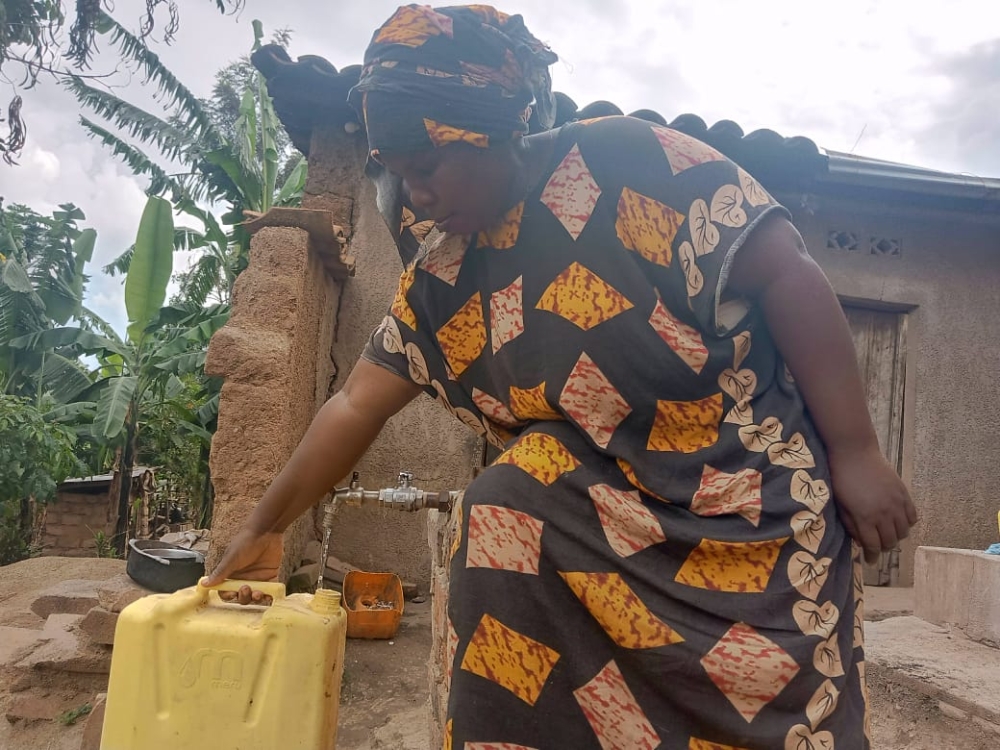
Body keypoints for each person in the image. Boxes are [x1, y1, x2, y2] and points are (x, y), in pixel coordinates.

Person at [205, 5, 917, 748]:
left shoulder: (629, 163)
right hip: (605, 524)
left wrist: (857, 452)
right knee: (505, 501)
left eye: (426, 165)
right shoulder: (442, 278)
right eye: (395, 169)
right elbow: (356, 402)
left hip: (748, 511)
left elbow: (788, 274)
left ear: (490, 127)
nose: (413, 194)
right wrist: (263, 525)